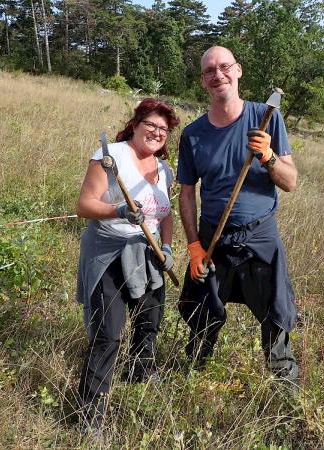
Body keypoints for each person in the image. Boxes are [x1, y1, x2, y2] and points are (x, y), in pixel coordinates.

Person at [176, 46, 299, 380]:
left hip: (260, 237)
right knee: (202, 313)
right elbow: (187, 195)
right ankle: (192, 376)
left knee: (276, 315)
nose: (218, 75)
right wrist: (193, 247)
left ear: (238, 70)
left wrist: (268, 156)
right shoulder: (193, 135)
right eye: (209, 71)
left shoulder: (266, 118)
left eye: (224, 67)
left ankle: (284, 391)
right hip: (213, 237)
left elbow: (290, 182)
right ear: (203, 81)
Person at [74, 98, 179, 428]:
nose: (156, 132)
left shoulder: (164, 170)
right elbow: (85, 205)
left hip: (147, 255)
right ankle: (90, 417)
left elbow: (166, 213)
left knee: (150, 320)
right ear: (135, 124)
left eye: (163, 129)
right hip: (110, 252)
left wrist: (166, 246)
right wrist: (118, 211)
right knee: (109, 333)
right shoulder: (112, 156)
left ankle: (140, 373)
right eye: (150, 124)